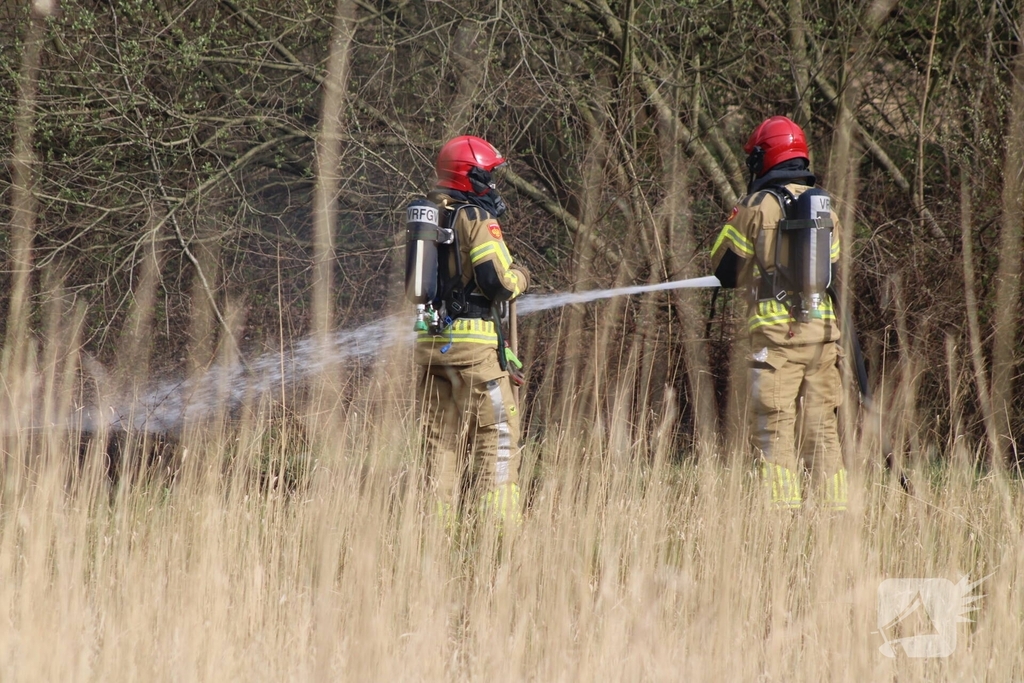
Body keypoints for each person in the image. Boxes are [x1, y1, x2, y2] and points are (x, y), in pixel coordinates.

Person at [710, 115, 847, 510]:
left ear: (763, 158)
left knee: (774, 430)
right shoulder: (827, 210)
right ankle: (836, 515)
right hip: (823, 338)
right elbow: (832, 273)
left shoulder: (756, 207)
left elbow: (724, 270)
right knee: (823, 430)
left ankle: (781, 517)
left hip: (776, 343)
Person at [413, 135, 530, 525]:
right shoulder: (476, 219)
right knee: (496, 434)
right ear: (471, 176)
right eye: (489, 175)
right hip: (476, 351)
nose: (493, 184)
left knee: (439, 442)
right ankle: (497, 529)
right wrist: (521, 278)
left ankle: (434, 526)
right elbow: (495, 281)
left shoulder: (427, 216)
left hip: (431, 347)